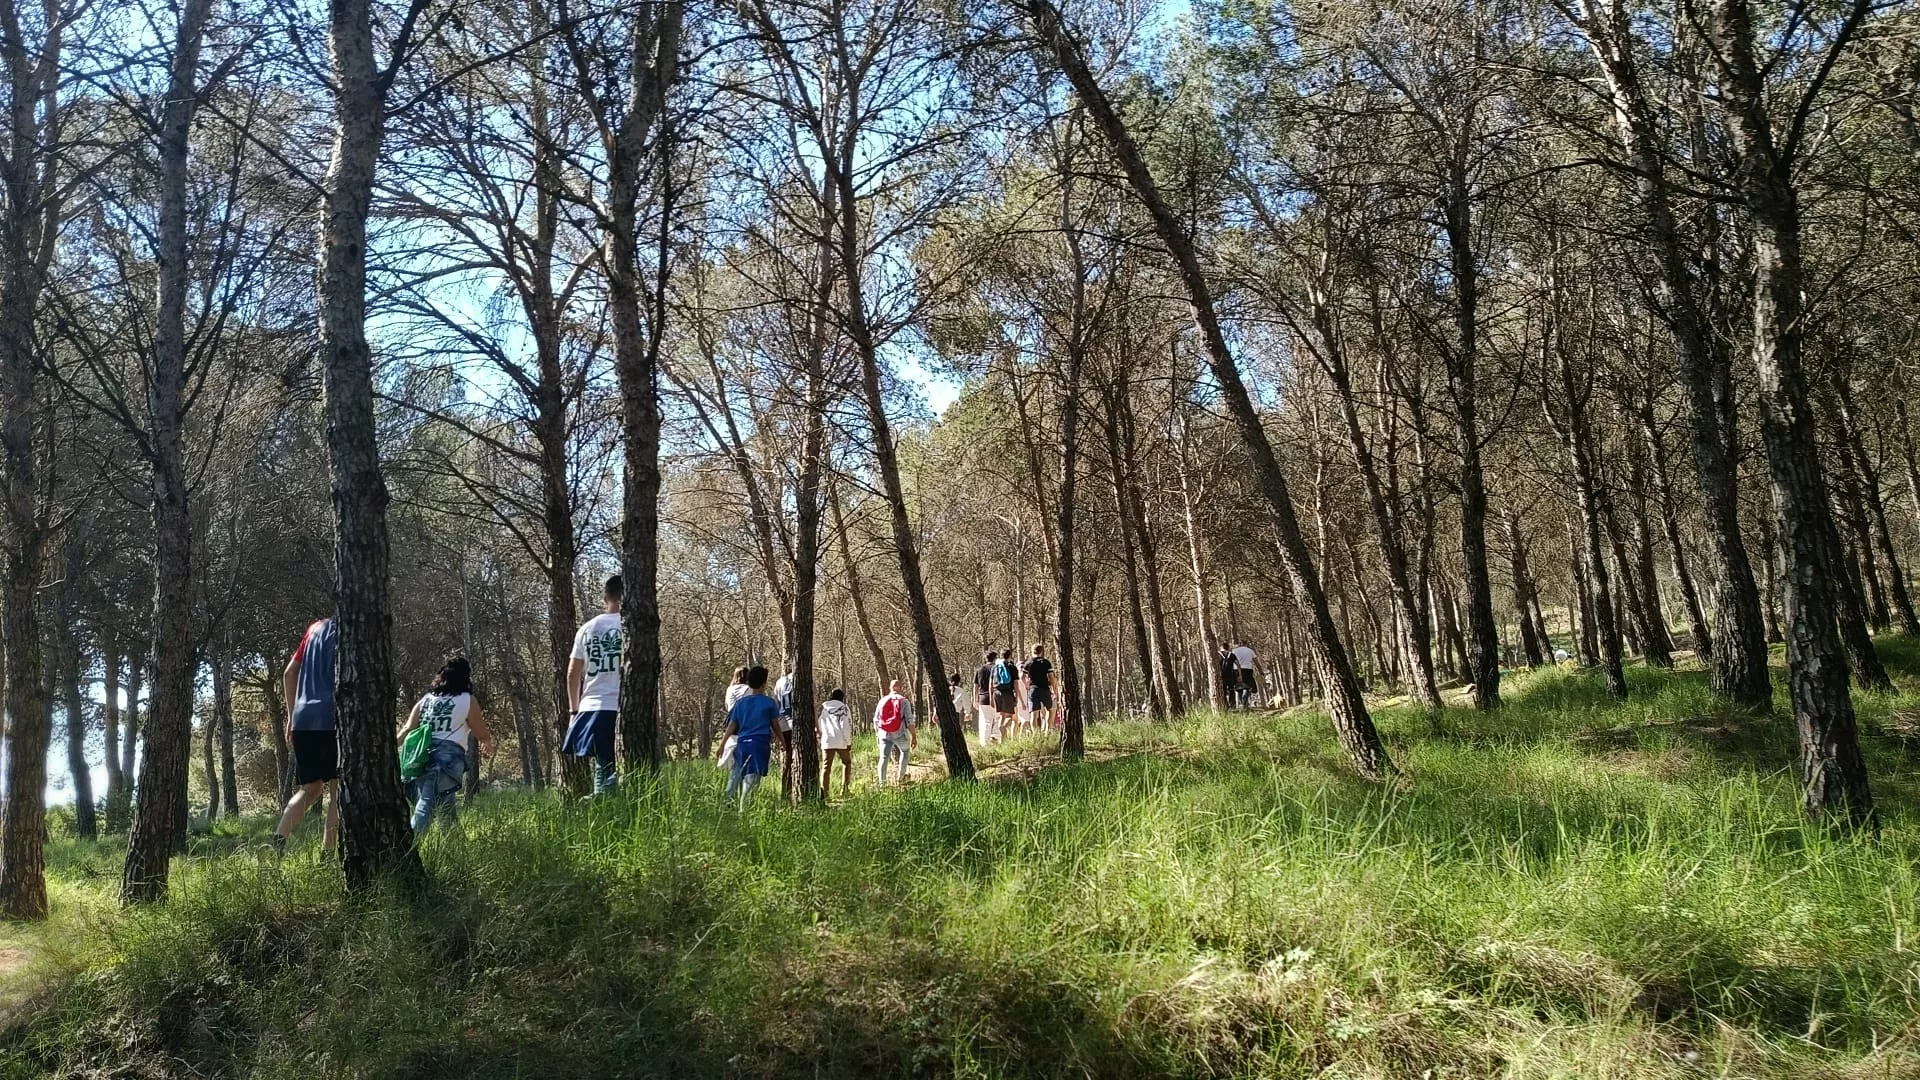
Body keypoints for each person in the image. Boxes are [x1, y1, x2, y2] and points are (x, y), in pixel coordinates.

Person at [396, 655, 493, 838]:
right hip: (447, 759)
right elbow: (480, 731)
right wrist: (487, 741)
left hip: (420, 756)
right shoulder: (467, 700)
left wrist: (390, 748)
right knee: (426, 805)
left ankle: (455, 846)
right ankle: (409, 846)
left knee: (446, 806)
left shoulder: (427, 699)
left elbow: (408, 727)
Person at [273, 618, 340, 856]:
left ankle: (277, 843)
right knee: (338, 790)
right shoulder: (352, 627)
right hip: (333, 717)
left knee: (309, 789)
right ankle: (327, 854)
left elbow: (290, 673)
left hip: (302, 718)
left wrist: (291, 716)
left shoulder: (314, 629)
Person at [562, 575, 623, 795]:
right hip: (621, 707)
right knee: (629, 766)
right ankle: (620, 813)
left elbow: (572, 674)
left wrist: (573, 710)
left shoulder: (587, 629)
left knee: (603, 765)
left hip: (592, 708)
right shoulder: (633, 626)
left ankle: (603, 812)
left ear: (605, 596)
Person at [715, 665, 778, 809]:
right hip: (759, 743)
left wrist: (722, 744)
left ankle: (726, 805)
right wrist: (781, 741)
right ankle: (745, 810)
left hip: (741, 741)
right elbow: (775, 725)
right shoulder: (768, 702)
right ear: (764, 683)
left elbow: (731, 724)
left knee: (736, 774)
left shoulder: (739, 702)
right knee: (752, 777)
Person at [873, 678, 915, 787]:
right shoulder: (904, 701)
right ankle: (901, 778)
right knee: (905, 751)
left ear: (890, 688)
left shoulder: (882, 701)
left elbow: (876, 720)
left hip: (884, 733)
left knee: (883, 757)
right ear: (900, 688)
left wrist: (878, 734)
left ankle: (883, 783)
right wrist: (914, 736)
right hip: (900, 733)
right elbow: (909, 720)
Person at [818, 688, 853, 800]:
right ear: (842, 697)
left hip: (827, 740)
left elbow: (819, 723)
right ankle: (844, 790)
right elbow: (845, 726)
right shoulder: (844, 708)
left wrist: (821, 737)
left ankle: (824, 794)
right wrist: (848, 742)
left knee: (826, 767)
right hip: (841, 740)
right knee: (846, 762)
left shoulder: (824, 709)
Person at [1022, 644, 1056, 729]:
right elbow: (1051, 677)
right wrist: (1054, 690)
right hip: (1045, 689)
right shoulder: (1046, 662)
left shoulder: (1029, 663)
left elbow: (1022, 676)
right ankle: (1047, 730)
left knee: (1034, 713)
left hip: (1033, 690)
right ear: (1041, 651)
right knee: (1049, 710)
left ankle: (1035, 734)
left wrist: (1027, 685)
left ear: (1032, 651)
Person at [974, 650, 1001, 744]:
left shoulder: (979, 670)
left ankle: (984, 743)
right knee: (997, 719)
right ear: (995, 658)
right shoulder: (997, 668)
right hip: (996, 697)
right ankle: (995, 737)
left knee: (986, 721)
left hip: (983, 697)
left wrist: (975, 699)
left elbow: (976, 686)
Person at [992, 648, 1020, 735]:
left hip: (997, 693)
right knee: (1009, 717)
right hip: (1008, 693)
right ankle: (1002, 727)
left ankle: (1003, 739)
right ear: (1010, 656)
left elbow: (991, 682)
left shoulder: (995, 667)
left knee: (1002, 715)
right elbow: (1015, 684)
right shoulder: (1012, 667)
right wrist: (1017, 696)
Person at [1230, 641, 1261, 709]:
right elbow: (1256, 662)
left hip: (1236, 670)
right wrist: (1260, 671)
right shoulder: (1250, 651)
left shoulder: (1234, 651)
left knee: (1239, 688)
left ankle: (1243, 704)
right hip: (1247, 670)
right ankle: (1244, 703)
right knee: (1247, 687)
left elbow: (1230, 661)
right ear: (1246, 644)